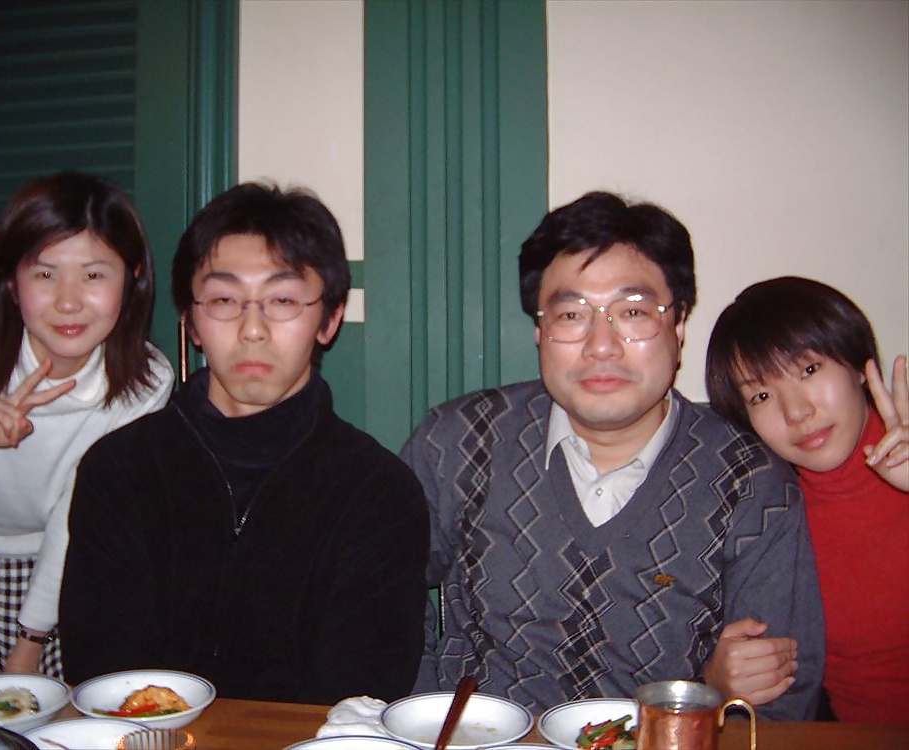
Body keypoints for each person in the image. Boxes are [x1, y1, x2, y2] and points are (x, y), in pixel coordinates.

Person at [401, 191, 825, 719]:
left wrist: (707, 696)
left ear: (679, 325)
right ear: (540, 331)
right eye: (571, 314)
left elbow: (778, 699)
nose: (602, 345)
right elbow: (381, 595)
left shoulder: (749, 482)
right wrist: (420, 716)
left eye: (633, 312)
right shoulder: (459, 441)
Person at [59, 181, 430, 704]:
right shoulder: (119, 471)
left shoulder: (380, 493)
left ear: (330, 319)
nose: (252, 329)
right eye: (224, 300)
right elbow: (104, 668)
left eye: (283, 300)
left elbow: (361, 690)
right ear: (191, 321)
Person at [0, 172, 175, 678]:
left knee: (62, 707)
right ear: (12, 282)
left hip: (74, 561)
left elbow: (72, 517)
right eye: (45, 274)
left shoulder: (145, 383)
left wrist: (29, 643)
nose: (69, 301)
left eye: (94, 275)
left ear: (132, 276)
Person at [705, 276, 908, 723]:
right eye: (761, 395)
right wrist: (714, 682)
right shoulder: (765, 515)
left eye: (809, 370)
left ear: (859, 364)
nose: (796, 412)